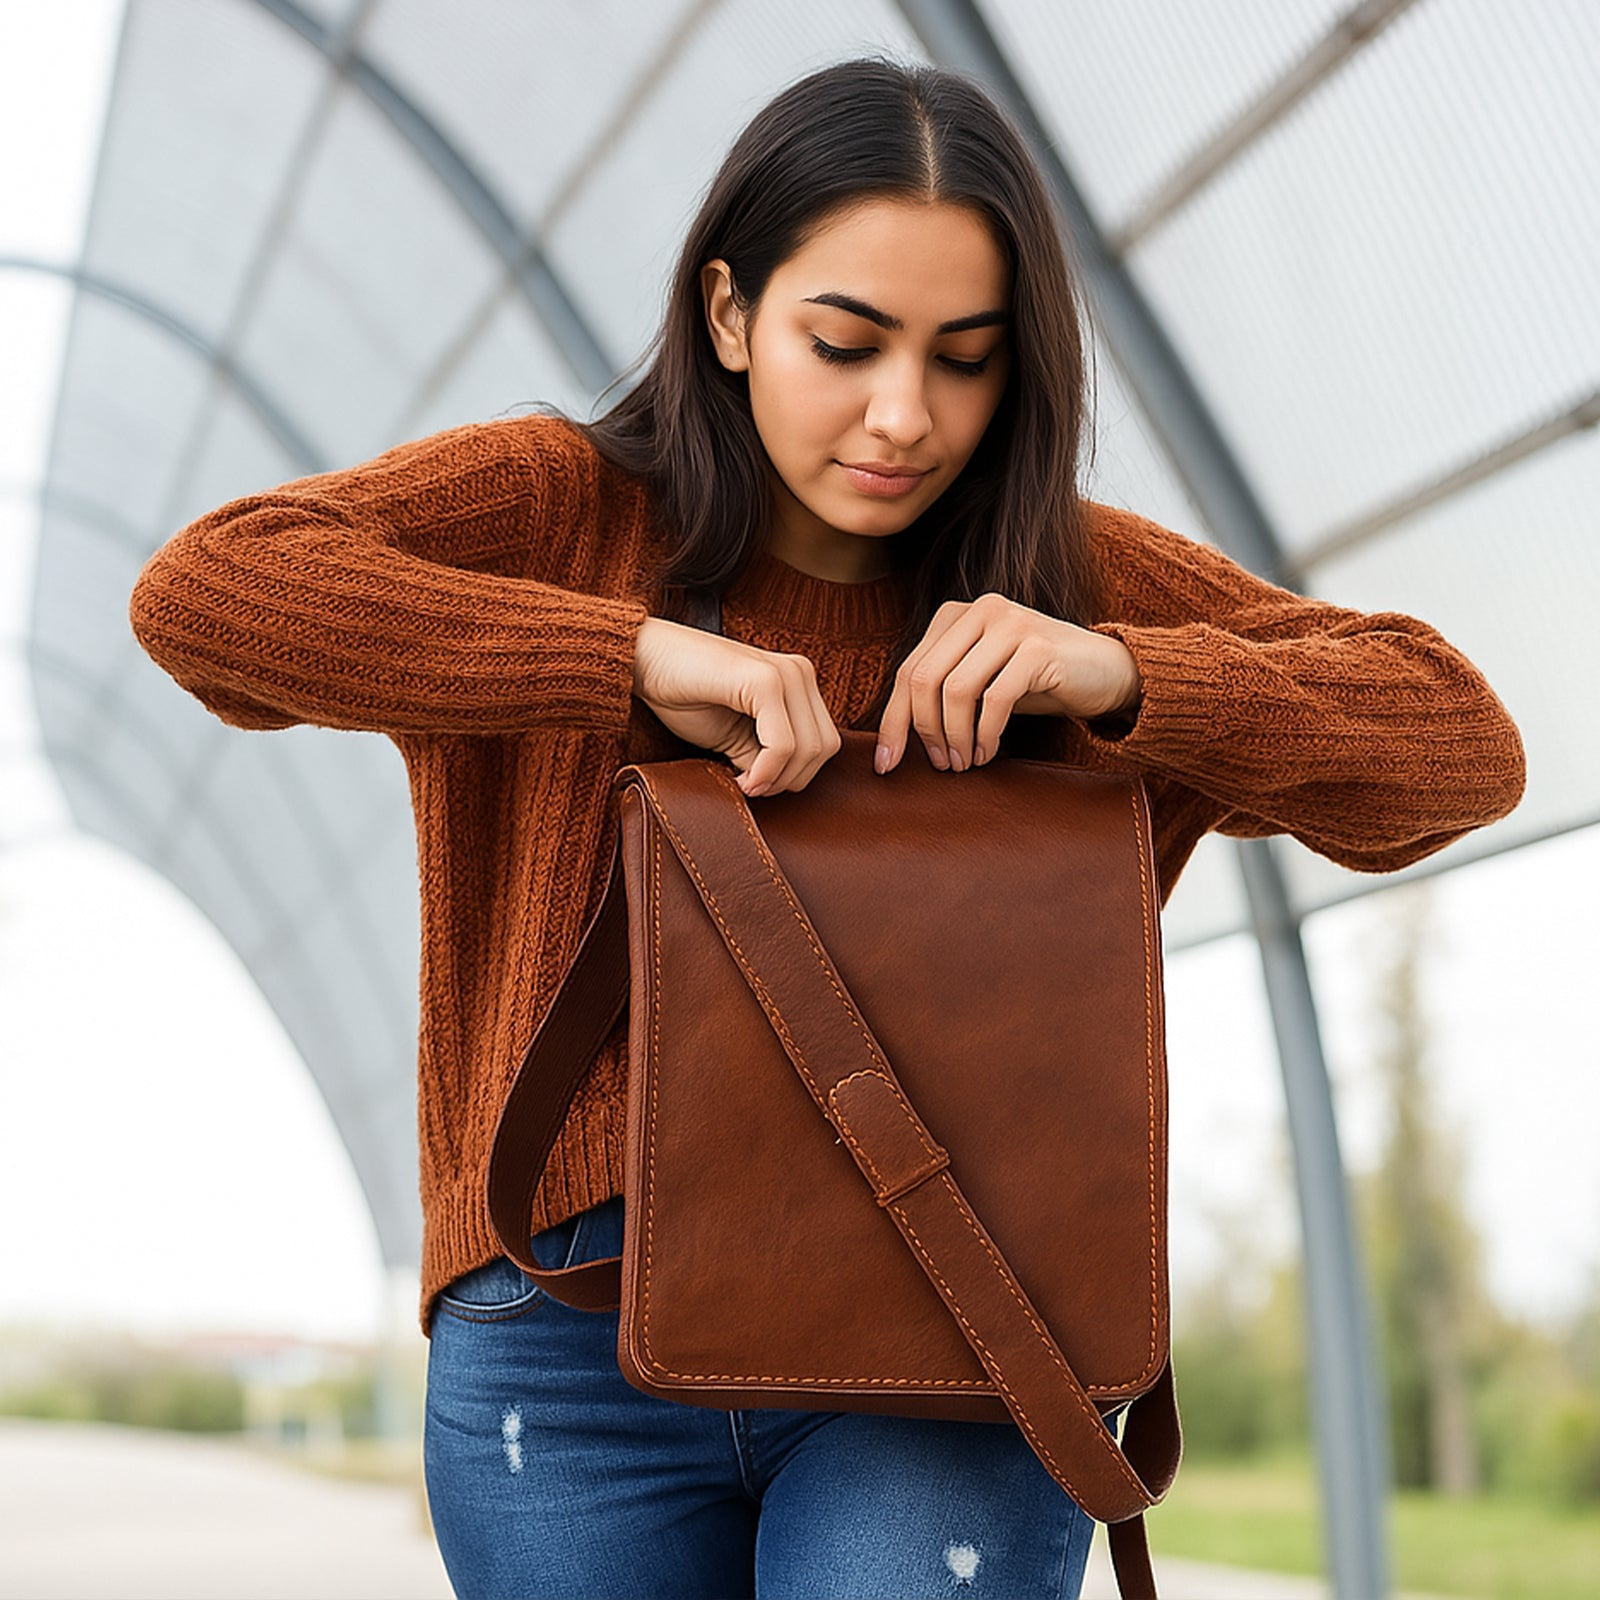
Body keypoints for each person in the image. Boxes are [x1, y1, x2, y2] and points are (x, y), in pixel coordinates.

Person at [127, 54, 1524, 1600]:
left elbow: (1460, 742)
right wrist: (628, 658)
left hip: (951, 1333)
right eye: (844, 342)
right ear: (727, 313)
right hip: (565, 1346)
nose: (904, 414)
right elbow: (206, 592)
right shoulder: (561, 513)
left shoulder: (1067, 584)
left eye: (966, 357)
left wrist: (1125, 673)